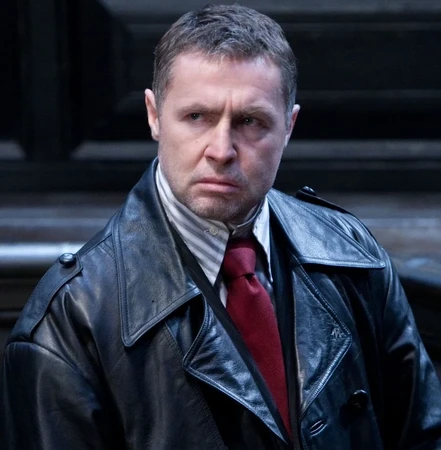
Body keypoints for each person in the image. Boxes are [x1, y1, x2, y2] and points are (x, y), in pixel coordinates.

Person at [1, 4, 441, 449]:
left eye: (250, 121)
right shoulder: (73, 317)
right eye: (197, 117)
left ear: (289, 126)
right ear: (154, 115)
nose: (221, 150)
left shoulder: (351, 254)